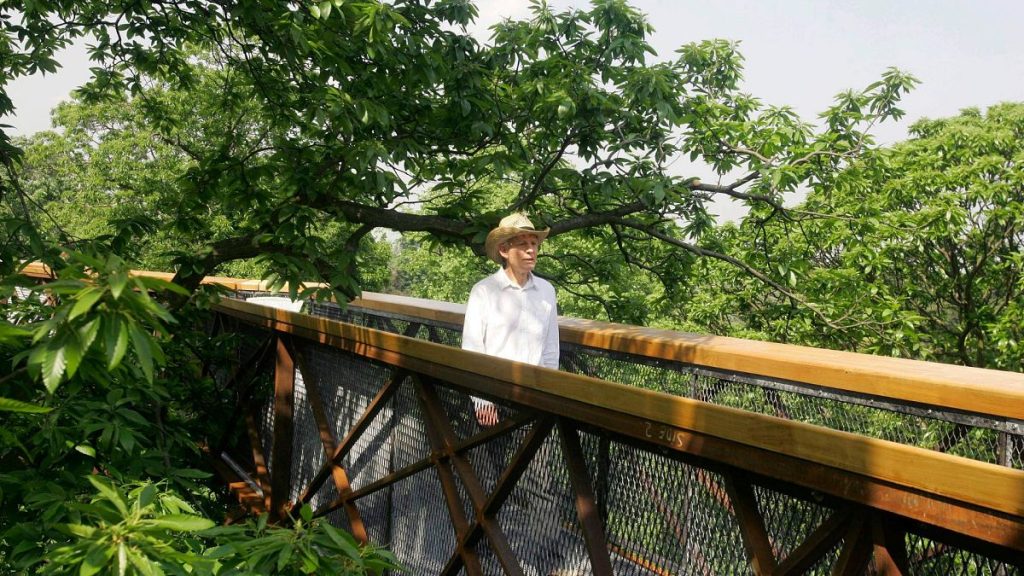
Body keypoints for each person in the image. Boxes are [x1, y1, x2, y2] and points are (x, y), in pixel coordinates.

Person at [462, 212, 560, 426]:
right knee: (488, 459)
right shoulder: (484, 291)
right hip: (494, 398)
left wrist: (550, 394)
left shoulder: (547, 291)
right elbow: (472, 348)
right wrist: (481, 401)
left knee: (535, 458)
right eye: (523, 244)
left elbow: (551, 347)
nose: (531, 250)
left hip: (534, 399)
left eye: (534, 244)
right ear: (504, 250)